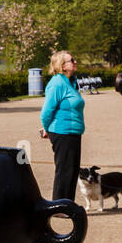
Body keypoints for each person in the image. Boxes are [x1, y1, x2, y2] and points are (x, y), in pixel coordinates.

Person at [39, 50, 84, 201]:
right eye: (72, 60)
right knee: (65, 170)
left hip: (74, 132)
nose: (75, 62)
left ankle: (68, 204)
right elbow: (46, 112)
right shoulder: (57, 83)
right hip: (62, 132)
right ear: (62, 66)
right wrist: (46, 128)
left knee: (72, 170)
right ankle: (59, 205)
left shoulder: (71, 82)